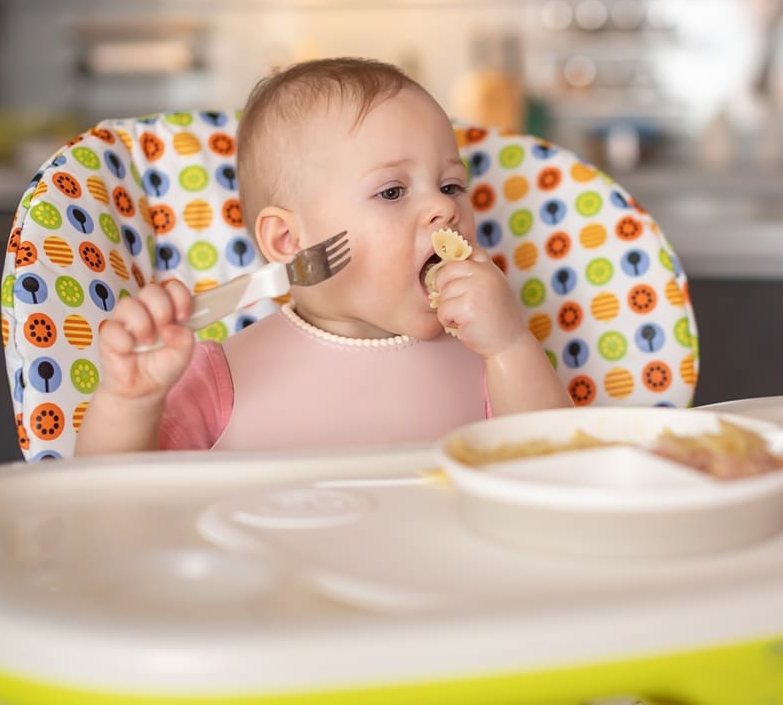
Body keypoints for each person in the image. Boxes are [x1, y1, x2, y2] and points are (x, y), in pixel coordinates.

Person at [77, 57, 571, 454]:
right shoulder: (220, 376)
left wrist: (511, 347)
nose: (444, 206)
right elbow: (114, 507)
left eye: (451, 184)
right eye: (393, 191)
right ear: (291, 243)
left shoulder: (491, 367)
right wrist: (130, 401)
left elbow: (561, 468)